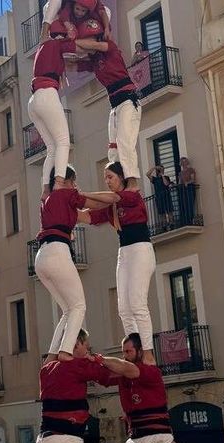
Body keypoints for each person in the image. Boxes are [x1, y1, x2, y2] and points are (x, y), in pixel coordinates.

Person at [35, 166, 119, 356]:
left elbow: (89, 216)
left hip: (42, 257)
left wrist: (109, 211)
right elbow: (97, 204)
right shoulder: (66, 194)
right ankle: (65, 352)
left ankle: (51, 356)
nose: (76, 186)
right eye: (74, 182)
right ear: (65, 182)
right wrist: (118, 196)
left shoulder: (47, 201)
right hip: (58, 251)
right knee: (78, 306)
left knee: (67, 310)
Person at [80, 162, 155, 355]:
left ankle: (147, 352)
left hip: (140, 249)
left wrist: (81, 194)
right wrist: (64, 203)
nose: (107, 181)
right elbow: (89, 217)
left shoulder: (131, 195)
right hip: (125, 252)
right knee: (124, 308)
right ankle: (134, 350)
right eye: (105, 177)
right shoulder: (112, 205)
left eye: (110, 177)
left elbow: (111, 197)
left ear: (122, 178)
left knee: (137, 304)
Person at [95, 333, 172, 443]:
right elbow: (103, 376)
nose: (125, 356)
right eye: (123, 352)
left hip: (154, 436)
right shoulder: (124, 374)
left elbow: (124, 367)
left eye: (128, 352)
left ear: (140, 351)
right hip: (135, 437)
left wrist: (98, 359)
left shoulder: (150, 371)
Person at [72, 16, 142, 182]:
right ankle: (120, 183)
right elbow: (72, 65)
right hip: (115, 105)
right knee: (113, 148)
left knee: (125, 142)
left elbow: (94, 45)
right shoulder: (94, 60)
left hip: (127, 100)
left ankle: (132, 183)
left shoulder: (109, 47)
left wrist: (73, 40)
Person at [28, 37, 78, 195]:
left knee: (52, 148)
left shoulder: (43, 50)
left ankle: (45, 190)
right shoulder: (57, 43)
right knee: (64, 143)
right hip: (47, 95)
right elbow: (81, 45)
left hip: (33, 101)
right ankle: (58, 184)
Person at [177, 157, 197, 225]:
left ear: (187, 162)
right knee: (185, 205)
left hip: (190, 189)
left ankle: (191, 219)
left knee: (190, 204)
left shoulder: (191, 170)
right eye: (182, 162)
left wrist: (187, 183)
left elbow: (193, 180)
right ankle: (186, 220)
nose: (184, 163)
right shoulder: (180, 173)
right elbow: (179, 182)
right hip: (183, 191)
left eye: (185, 162)